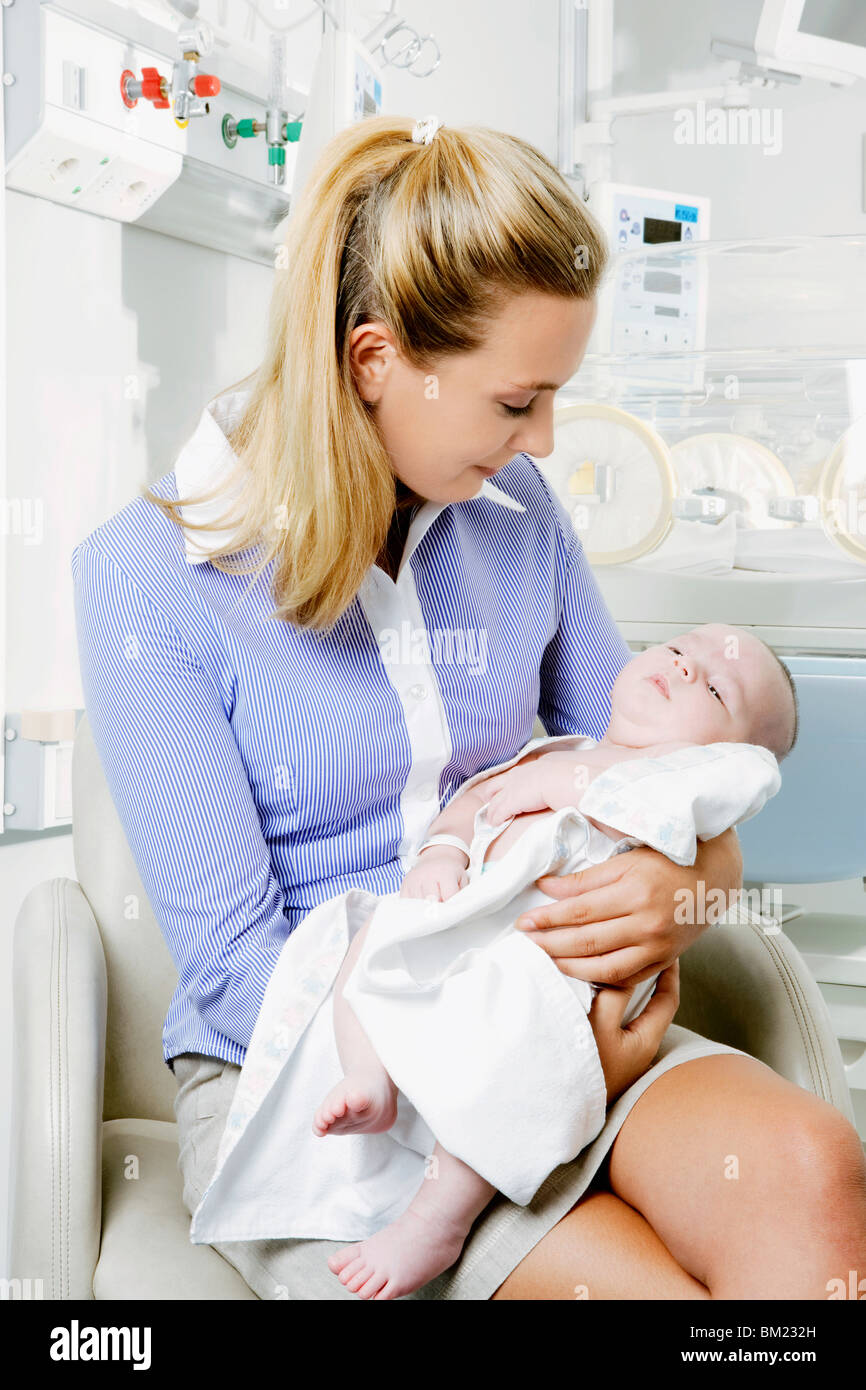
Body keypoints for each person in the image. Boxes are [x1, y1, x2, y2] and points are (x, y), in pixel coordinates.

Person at [71, 114, 866, 1300]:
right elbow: (238, 968)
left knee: (810, 1165)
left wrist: (677, 891)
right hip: (327, 1073)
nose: (542, 441)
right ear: (374, 361)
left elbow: (660, 767)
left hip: (563, 1021)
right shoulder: (147, 576)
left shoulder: (518, 513)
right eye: (515, 401)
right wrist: (489, 1055)